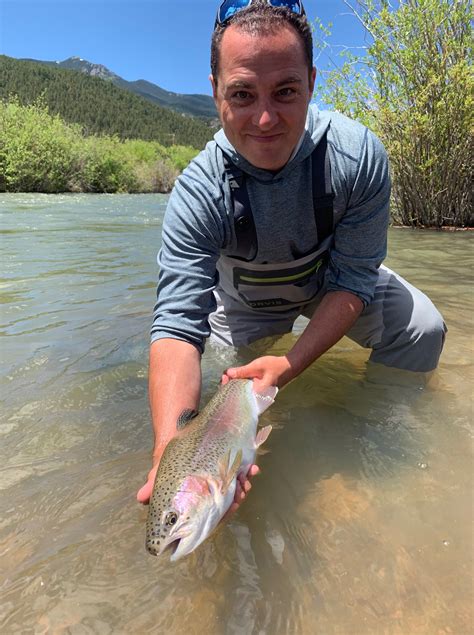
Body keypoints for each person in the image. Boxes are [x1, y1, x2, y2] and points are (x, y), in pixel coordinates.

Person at [137, 0, 446, 506]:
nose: (264, 118)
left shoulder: (357, 157)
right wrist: (171, 456)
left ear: (311, 82)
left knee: (423, 331)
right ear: (215, 91)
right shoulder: (198, 192)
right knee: (220, 402)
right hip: (243, 306)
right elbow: (176, 326)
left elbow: (353, 281)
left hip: (330, 285)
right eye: (242, 94)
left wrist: (292, 363)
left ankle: (375, 433)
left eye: (285, 92)